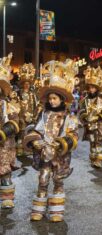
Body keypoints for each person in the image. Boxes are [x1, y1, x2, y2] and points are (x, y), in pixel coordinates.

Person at [23, 59, 79, 222]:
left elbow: (73, 136)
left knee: (58, 180)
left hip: (60, 155)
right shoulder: (44, 115)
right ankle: (39, 207)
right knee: (43, 178)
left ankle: (56, 210)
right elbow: (37, 130)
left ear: (62, 99)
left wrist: (61, 143)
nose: (52, 101)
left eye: (55, 98)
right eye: (50, 98)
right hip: (45, 153)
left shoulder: (69, 117)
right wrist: (35, 142)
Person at [0, 53, 20, 209]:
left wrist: (3, 132)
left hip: (4, 144)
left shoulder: (8, 105)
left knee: (5, 171)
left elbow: (15, 122)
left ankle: (7, 196)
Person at [79, 66, 102, 168]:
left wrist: (97, 117)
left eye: (93, 87)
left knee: (98, 142)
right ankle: (92, 158)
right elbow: (82, 110)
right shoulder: (85, 100)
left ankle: (99, 160)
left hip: (99, 124)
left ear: (96, 88)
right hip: (89, 125)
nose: (91, 89)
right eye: (90, 87)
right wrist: (85, 117)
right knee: (92, 142)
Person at [16, 63, 38, 156]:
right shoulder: (19, 93)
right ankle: (19, 148)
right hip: (21, 115)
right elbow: (16, 105)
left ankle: (28, 147)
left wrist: (34, 115)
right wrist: (20, 115)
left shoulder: (32, 94)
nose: (26, 85)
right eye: (25, 84)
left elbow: (35, 105)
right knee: (21, 131)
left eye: (28, 84)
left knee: (29, 131)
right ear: (22, 84)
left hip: (31, 115)